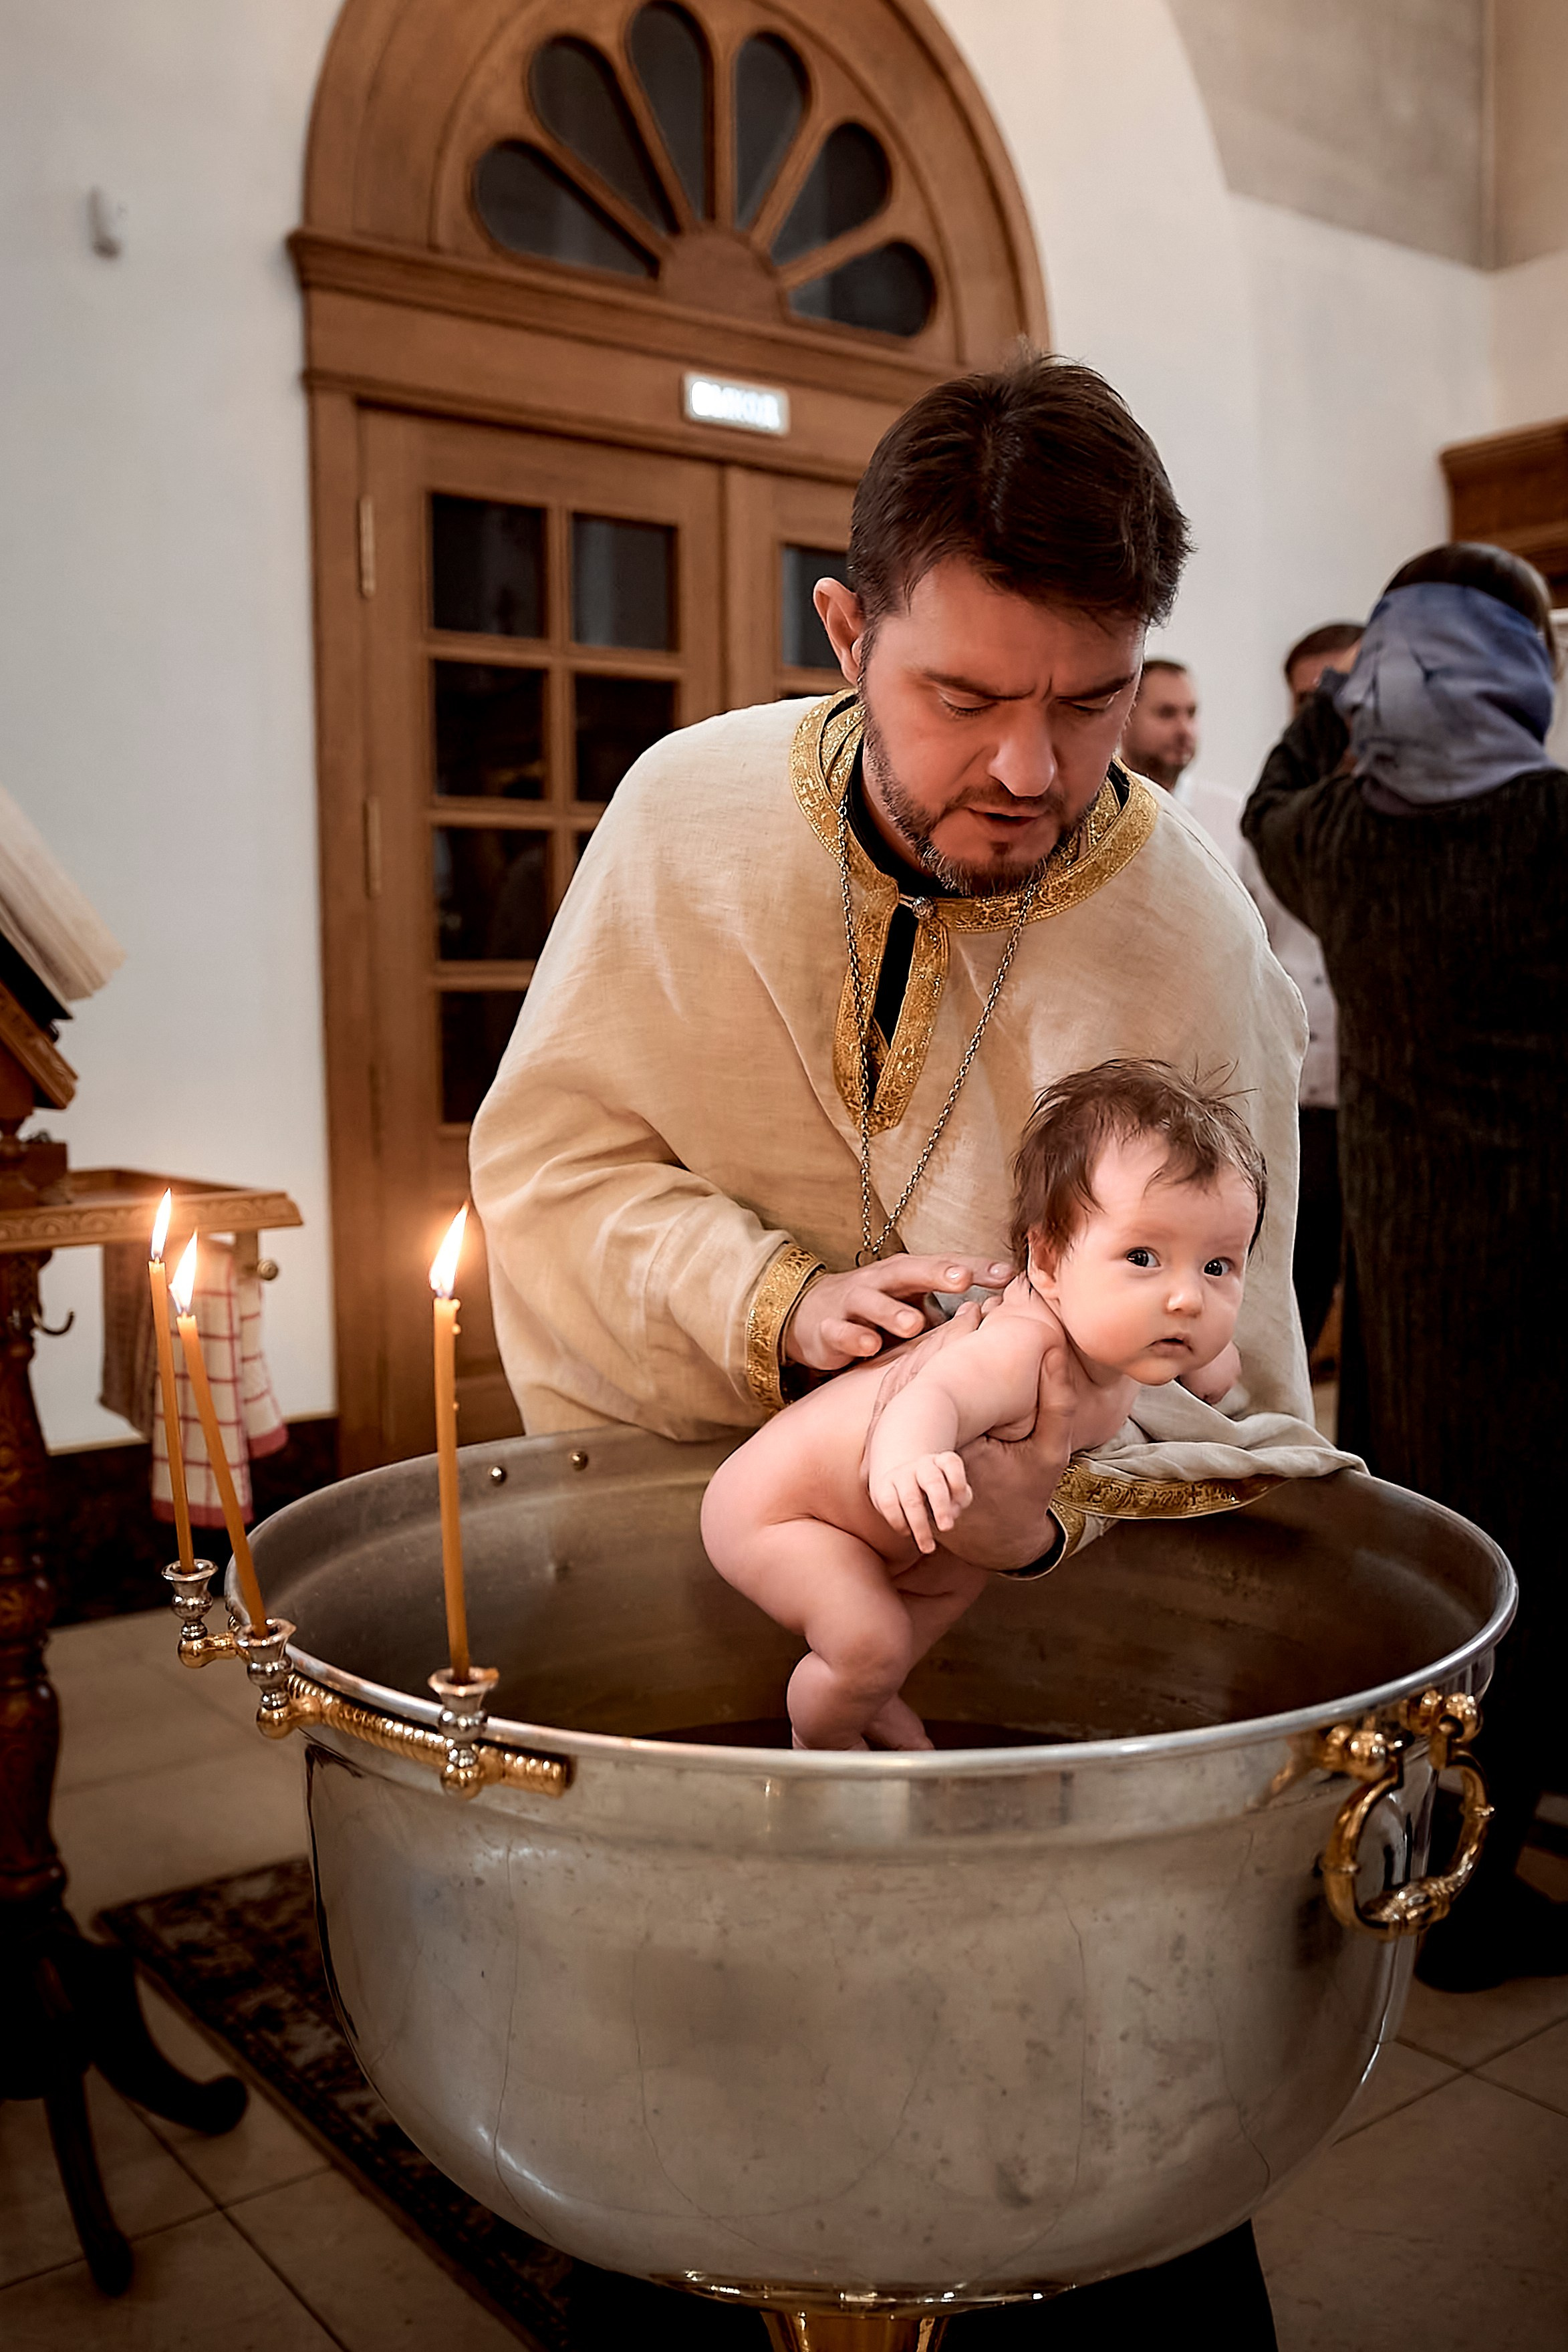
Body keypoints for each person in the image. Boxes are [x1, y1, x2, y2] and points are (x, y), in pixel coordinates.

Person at [473, 352, 1341, 2342]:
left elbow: (1228, 1368)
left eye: (1087, 700)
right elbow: (553, 1174)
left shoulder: (1188, 935)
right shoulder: (686, 822)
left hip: (1036, 1649)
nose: (1028, 772)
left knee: (1084, 2183)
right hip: (721, 1584)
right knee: (701, 2147)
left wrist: (1095, 1483)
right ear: (846, 633)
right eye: (961, 697)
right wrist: (774, 1306)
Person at [1243, 541, 1568, 1994]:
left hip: (1412, 1272)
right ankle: (1478, 1900)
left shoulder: (1340, 843)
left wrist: (1351, 702)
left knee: (1457, 1560)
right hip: (1553, 1260)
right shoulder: (1556, 824)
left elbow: (1265, 796)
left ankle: (1436, 1845)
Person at [704, 1062, 1276, 1751]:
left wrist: (1210, 1357)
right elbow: (934, 1395)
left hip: (896, 1535)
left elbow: (1202, 1357)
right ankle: (822, 1746)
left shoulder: (1132, 1335)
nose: (1186, 1299)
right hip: (782, 1513)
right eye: (1144, 1257)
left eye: (1218, 1267)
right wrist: (907, 1457)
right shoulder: (1020, 1350)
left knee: (952, 1579)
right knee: (870, 1639)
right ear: (1049, 1259)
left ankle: (869, 1696)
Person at [1238, 623, 1362, 1355]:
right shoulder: (1271, 827)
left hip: (1382, 1097)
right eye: (1309, 701)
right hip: (1291, 1099)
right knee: (1293, 1290)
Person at [1118, 656, 1198, 793]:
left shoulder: (1226, 811)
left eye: (1191, 713)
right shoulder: (1088, 805)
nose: (1185, 730)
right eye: (1167, 713)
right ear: (1124, 718)